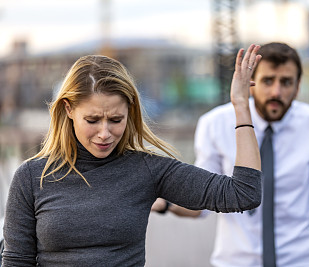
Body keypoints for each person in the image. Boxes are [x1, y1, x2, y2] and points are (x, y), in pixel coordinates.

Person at [1, 44, 263, 266]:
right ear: (68, 109)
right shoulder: (32, 176)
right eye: (92, 120)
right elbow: (16, 261)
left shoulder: (147, 170)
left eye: (116, 119)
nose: (105, 133)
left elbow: (243, 194)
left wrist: (241, 107)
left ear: (131, 110)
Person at [152, 42, 309, 267]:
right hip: (236, 262)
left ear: (298, 85)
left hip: (304, 261)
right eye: (268, 81)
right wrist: (164, 202)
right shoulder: (215, 124)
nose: (276, 92)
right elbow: (202, 199)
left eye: (286, 82)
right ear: (251, 82)